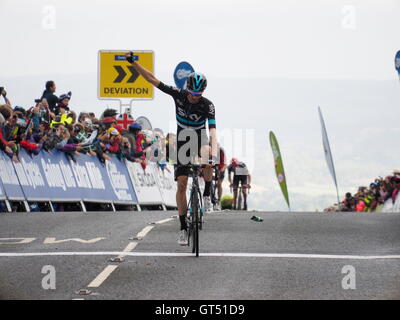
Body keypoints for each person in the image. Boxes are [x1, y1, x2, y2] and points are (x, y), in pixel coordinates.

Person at [126, 51, 218, 246]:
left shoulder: (208, 105)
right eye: (192, 93)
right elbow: (152, 79)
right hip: (183, 139)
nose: (194, 97)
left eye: (198, 95)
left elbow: (212, 131)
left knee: (208, 154)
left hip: (200, 138)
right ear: (188, 89)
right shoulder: (178, 95)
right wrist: (134, 63)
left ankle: (208, 192)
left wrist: (213, 149)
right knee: (182, 184)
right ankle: (184, 228)